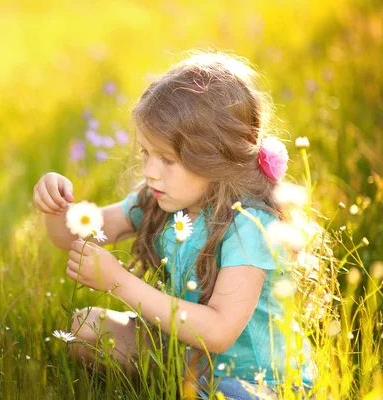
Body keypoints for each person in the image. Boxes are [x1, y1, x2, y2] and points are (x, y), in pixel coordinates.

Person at [33, 52, 317, 399]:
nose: (150, 171)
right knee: (84, 328)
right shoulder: (157, 201)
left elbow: (218, 331)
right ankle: (180, 383)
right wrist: (54, 206)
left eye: (167, 159)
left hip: (259, 381)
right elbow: (67, 236)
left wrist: (119, 283)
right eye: (146, 154)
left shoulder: (249, 224)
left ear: (213, 158)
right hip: (187, 359)